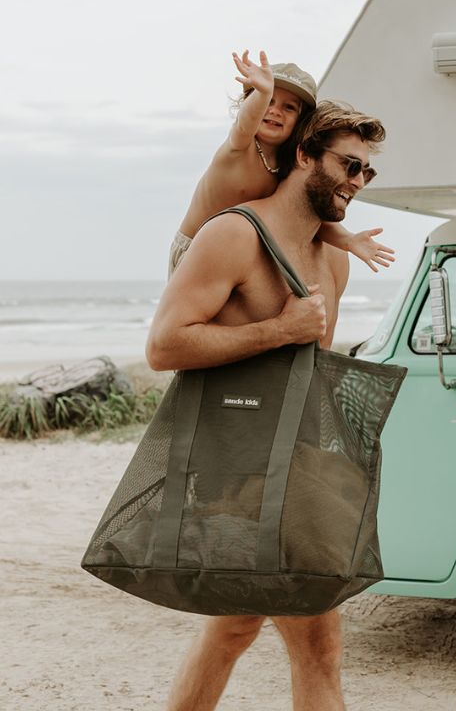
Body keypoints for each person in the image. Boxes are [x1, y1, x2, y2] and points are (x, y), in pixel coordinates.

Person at [146, 100, 386, 711]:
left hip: (299, 463)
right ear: (304, 154)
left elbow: (308, 368)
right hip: (236, 468)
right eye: (348, 165)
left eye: (367, 173)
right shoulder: (233, 235)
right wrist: (278, 330)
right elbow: (164, 344)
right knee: (319, 648)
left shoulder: (333, 256)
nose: (357, 182)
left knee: (233, 628)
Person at [169, 49, 393, 276]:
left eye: (289, 107)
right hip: (195, 247)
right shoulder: (238, 148)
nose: (275, 111)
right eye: (269, 101)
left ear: (300, 121)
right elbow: (245, 123)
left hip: (237, 251)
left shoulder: (290, 162)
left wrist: (349, 240)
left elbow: (312, 214)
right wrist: (262, 93)